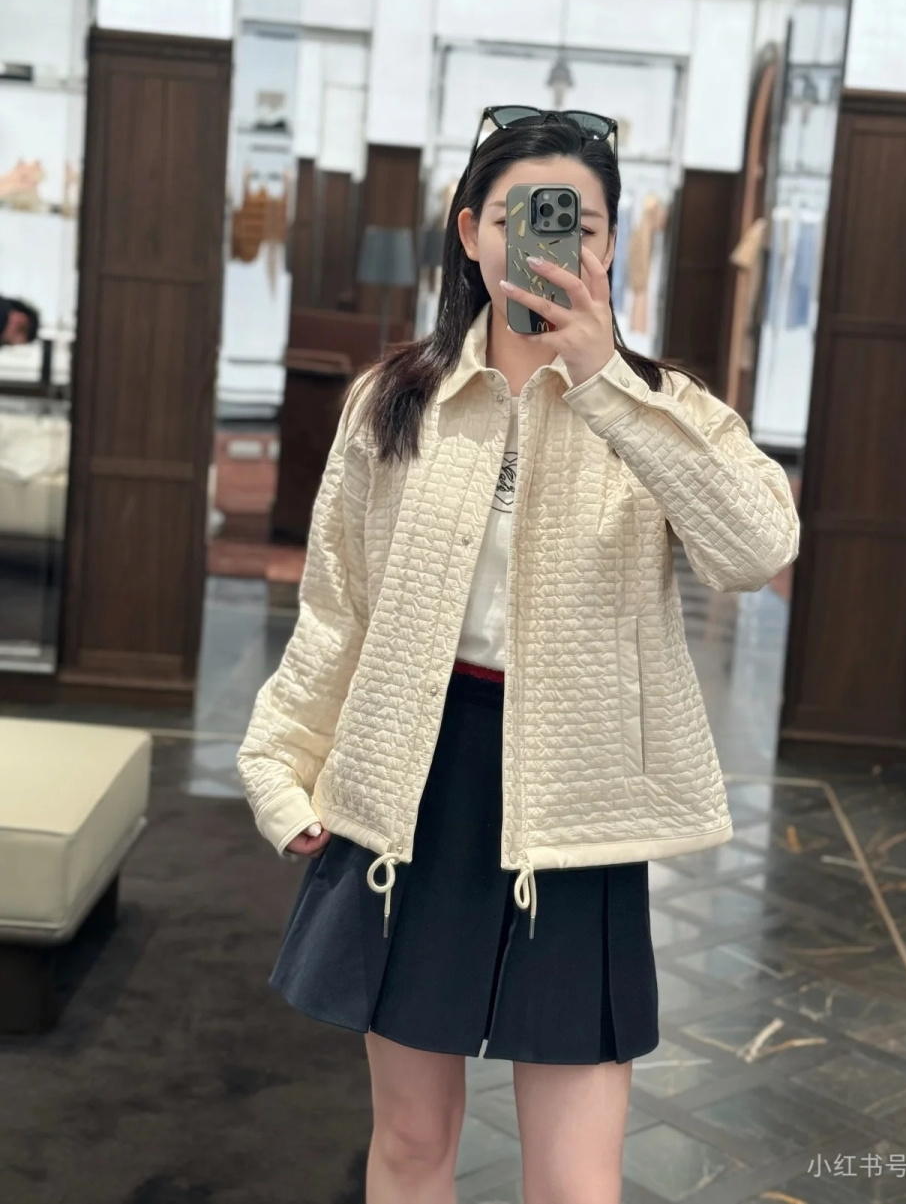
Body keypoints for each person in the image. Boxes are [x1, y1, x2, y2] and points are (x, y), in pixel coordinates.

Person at [236, 107, 800, 1203]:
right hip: (417, 778)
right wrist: (277, 760)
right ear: (469, 232)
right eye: (519, 217)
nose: (549, 244)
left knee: (577, 1178)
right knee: (411, 1143)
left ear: (609, 241)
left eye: (576, 223)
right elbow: (337, 607)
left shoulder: (664, 408)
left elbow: (755, 550)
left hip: (579, 796)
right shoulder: (394, 402)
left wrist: (605, 380)